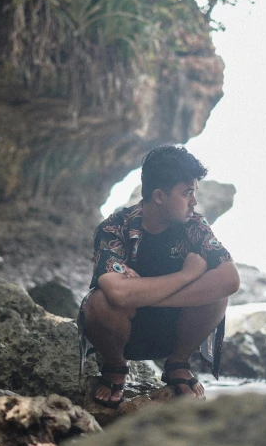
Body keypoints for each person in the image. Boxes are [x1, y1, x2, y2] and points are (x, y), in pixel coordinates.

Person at [78, 145, 240, 406]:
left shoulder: (195, 226)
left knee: (218, 298)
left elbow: (230, 280)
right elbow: (117, 293)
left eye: (194, 193)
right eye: (187, 193)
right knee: (99, 302)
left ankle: (178, 363)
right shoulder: (114, 227)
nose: (194, 202)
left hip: (174, 329)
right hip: (123, 333)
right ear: (159, 196)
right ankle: (115, 367)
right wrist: (188, 275)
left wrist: (142, 295)